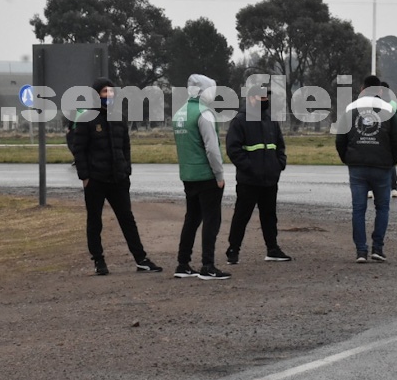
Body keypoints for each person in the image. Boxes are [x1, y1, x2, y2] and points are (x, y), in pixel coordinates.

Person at [72, 78, 162, 276]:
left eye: (111, 92)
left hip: (118, 179)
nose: (109, 95)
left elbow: (126, 147)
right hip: (95, 179)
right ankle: (98, 260)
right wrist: (85, 177)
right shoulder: (86, 119)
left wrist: (126, 170)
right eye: (105, 92)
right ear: (97, 95)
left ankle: (141, 259)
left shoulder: (119, 117)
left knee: (127, 218)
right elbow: (79, 150)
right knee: (95, 221)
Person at [335, 75, 397, 263]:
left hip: (357, 166)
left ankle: (361, 251)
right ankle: (378, 248)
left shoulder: (350, 108)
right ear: (380, 91)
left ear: (362, 89)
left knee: (358, 209)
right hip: (382, 165)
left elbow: (340, 139)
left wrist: (347, 158)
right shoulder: (388, 109)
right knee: (382, 208)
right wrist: (392, 160)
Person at [173, 74, 230, 280]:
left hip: (188, 176)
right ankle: (208, 265)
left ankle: (183, 263)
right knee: (211, 220)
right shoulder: (204, 113)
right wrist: (219, 174)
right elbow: (212, 149)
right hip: (206, 176)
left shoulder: (179, 113)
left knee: (192, 218)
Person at [225, 84, 291, 265]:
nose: (266, 100)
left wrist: (279, 164)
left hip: (270, 179)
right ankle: (233, 250)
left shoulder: (271, 120)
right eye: (262, 97)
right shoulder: (240, 121)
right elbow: (233, 149)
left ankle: (272, 249)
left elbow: (280, 145)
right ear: (251, 99)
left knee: (269, 216)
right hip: (249, 180)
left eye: (267, 97)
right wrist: (250, 168)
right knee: (242, 215)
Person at [380, 81, 397, 199]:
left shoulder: (376, 103)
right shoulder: (393, 103)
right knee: (391, 163)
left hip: (380, 136)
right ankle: (394, 188)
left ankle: (372, 189)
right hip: (390, 137)